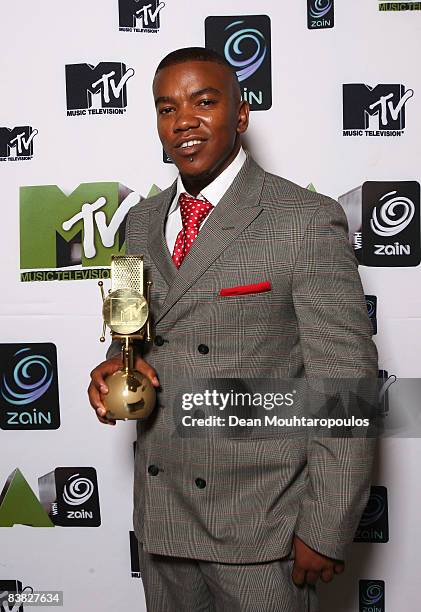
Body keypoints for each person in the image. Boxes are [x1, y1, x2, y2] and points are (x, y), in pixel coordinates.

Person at [88, 47, 378, 612]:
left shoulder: (302, 218)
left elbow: (346, 382)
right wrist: (115, 368)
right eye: (167, 107)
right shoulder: (143, 222)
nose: (184, 121)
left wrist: (325, 524)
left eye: (204, 101)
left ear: (240, 115)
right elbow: (131, 337)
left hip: (261, 527)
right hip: (163, 519)